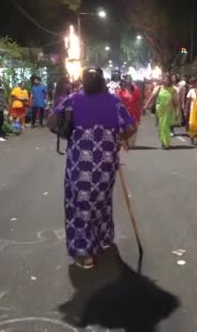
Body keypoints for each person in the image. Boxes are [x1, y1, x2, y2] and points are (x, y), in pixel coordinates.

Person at [48, 67, 136, 269]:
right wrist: (116, 139)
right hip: (106, 167)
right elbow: (131, 128)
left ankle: (83, 252)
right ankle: (102, 240)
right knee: (102, 202)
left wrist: (64, 124)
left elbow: (51, 122)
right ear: (103, 81)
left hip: (80, 166)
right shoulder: (114, 101)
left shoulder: (74, 99)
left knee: (80, 206)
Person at [144, 74, 179, 149]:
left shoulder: (173, 90)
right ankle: (163, 141)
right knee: (161, 126)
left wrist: (177, 112)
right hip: (160, 110)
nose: (166, 81)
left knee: (166, 126)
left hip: (169, 110)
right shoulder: (158, 88)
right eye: (164, 79)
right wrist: (146, 106)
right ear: (162, 80)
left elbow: (176, 102)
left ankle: (166, 143)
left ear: (169, 81)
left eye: (167, 79)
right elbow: (152, 97)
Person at [116, 75, 142, 147]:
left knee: (134, 128)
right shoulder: (120, 91)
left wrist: (141, 109)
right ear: (123, 81)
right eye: (126, 79)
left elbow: (139, 100)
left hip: (134, 112)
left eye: (129, 79)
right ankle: (124, 141)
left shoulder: (136, 89)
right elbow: (117, 102)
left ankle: (129, 142)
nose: (128, 81)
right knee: (127, 128)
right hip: (125, 113)